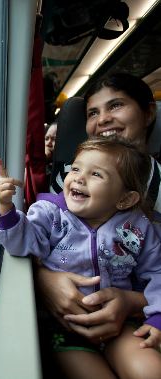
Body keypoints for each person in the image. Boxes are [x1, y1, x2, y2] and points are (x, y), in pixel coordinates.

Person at [0, 138, 161, 378]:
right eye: (75, 168)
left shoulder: (138, 228)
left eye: (96, 174)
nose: (79, 178)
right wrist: (6, 210)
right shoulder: (50, 214)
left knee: (150, 371)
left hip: (121, 322)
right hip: (68, 326)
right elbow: (23, 243)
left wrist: (157, 317)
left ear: (125, 199)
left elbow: (157, 272)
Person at [39, 73, 159, 351]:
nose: (103, 119)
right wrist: (45, 279)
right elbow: (42, 238)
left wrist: (133, 303)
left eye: (116, 105)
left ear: (149, 112)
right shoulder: (68, 181)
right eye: (93, 112)